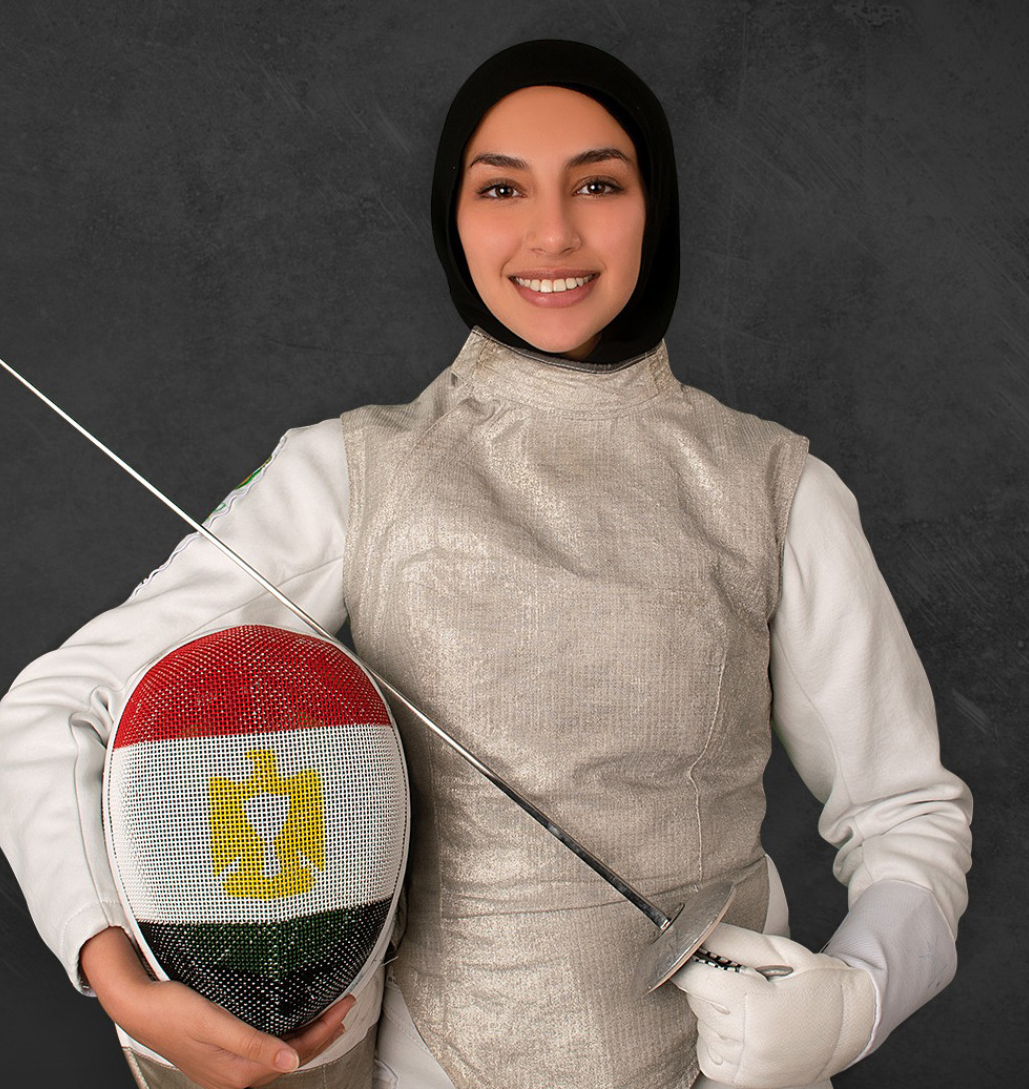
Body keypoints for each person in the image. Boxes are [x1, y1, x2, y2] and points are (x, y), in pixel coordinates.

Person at [0, 39, 972, 1089]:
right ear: (452, 219)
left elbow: (903, 813)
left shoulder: (777, 488)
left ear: (657, 207)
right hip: (437, 1063)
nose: (551, 232)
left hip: (722, 1065)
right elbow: (54, 705)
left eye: (597, 183)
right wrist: (116, 971)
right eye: (501, 188)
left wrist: (853, 1003)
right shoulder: (350, 473)